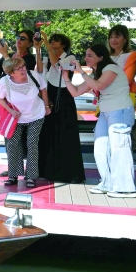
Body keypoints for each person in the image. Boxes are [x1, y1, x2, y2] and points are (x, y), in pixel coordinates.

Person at [62, 45, 136, 198]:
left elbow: (98, 86)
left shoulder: (111, 68)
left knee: (119, 148)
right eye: (86, 55)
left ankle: (126, 188)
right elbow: (75, 93)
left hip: (120, 111)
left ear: (101, 57)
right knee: (101, 148)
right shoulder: (96, 74)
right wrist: (65, 77)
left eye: (90, 55)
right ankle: (108, 182)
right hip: (106, 112)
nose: (86, 58)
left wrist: (81, 71)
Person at [38, 33, 86, 183]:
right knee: (48, 134)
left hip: (64, 97)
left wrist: (46, 44)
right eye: (50, 40)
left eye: (55, 40)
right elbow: (40, 71)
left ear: (63, 44)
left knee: (65, 135)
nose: (52, 42)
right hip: (49, 95)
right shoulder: (48, 56)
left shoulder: (70, 58)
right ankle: (46, 171)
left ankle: (69, 173)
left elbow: (56, 65)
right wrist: (38, 49)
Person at [0, 57, 50, 188]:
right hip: (16, 117)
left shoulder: (33, 75)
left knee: (32, 144)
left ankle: (31, 176)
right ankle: (13, 175)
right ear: (11, 72)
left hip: (36, 115)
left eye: (23, 66)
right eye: (19, 68)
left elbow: (43, 90)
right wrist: (9, 110)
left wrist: (47, 107)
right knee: (13, 145)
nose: (23, 69)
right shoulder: (4, 82)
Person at [109, 24, 136, 103]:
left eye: (117, 37)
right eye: (111, 37)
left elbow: (127, 80)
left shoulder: (132, 55)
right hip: (106, 97)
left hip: (125, 96)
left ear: (125, 39)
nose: (113, 40)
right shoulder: (105, 56)